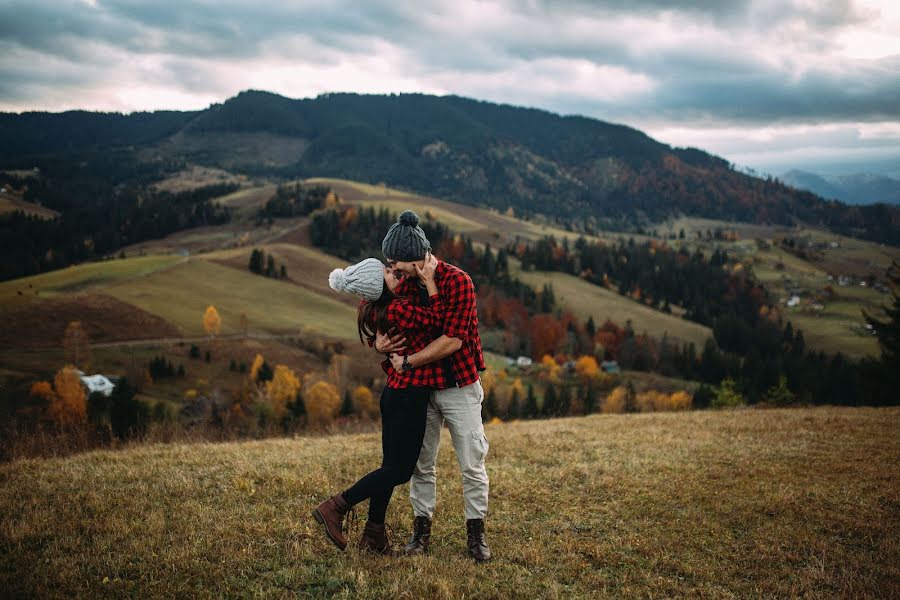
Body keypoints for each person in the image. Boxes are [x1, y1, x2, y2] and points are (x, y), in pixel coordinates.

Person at [376, 210, 492, 562]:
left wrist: (409, 360)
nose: (391, 267)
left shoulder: (458, 282)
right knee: (421, 464)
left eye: (396, 261)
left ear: (416, 258)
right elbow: (390, 323)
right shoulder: (402, 284)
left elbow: (452, 339)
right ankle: (420, 533)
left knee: (471, 462)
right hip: (419, 390)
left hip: (459, 384)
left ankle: (476, 535)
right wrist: (380, 344)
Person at [312, 253, 441, 555]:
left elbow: (369, 298)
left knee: (389, 467)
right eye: (386, 271)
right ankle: (336, 506)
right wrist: (431, 283)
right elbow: (438, 322)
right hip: (409, 394)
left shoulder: (375, 308)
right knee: (400, 471)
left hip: (395, 393)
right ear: (377, 286)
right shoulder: (399, 309)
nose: (393, 270)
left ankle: (373, 536)